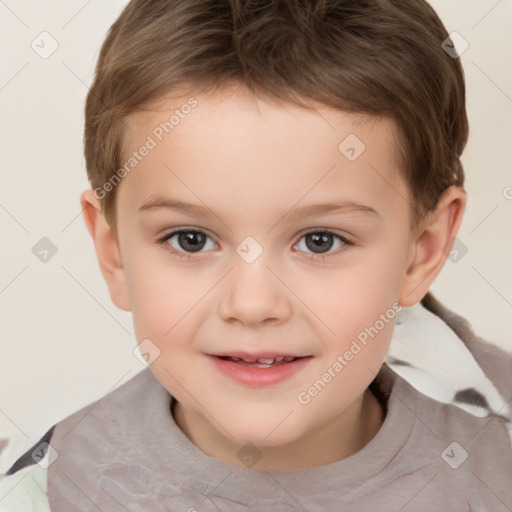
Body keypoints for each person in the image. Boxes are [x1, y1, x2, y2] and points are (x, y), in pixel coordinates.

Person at [1, 0, 511, 510]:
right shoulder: (49, 492)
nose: (251, 304)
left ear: (422, 251)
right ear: (114, 254)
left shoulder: (494, 465)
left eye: (320, 241)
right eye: (190, 239)